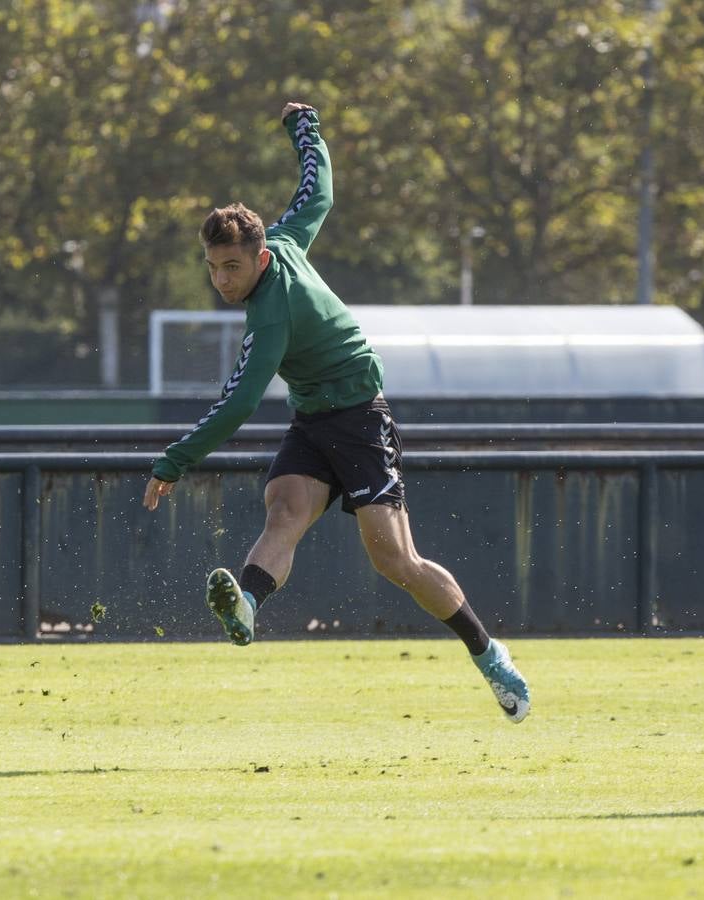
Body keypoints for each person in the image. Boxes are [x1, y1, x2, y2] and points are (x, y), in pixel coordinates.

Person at [141, 101, 530, 723]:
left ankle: (489, 656)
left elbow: (240, 400)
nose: (221, 279)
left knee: (394, 561)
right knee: (285, 509)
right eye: (213, 267)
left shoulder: (271, 312)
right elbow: (316, 189)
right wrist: (307, 129)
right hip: (314, 417)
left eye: (232, 267)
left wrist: (175, 459)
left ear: (260, 259)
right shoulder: (286, 238)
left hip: (359, 418)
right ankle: (246, 601)